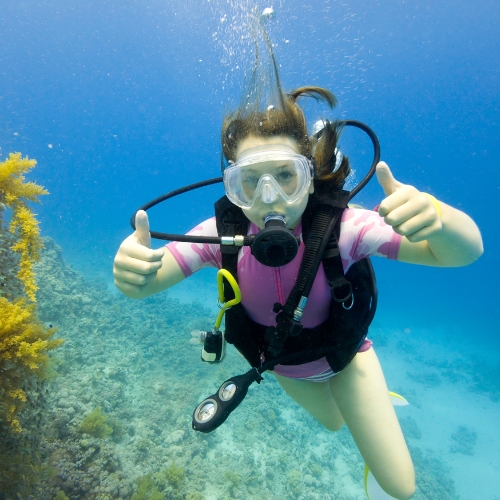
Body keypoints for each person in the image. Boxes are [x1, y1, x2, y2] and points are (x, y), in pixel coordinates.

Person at [114, 81, 483, 500]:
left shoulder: (346, 229)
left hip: (346, 363)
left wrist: (439, 218)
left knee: (400, 487)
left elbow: (463, 253)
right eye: (249, 182)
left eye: (286, 176)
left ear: (310, 178)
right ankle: (356, 412)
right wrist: (133, 270)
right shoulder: (221, 236)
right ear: (231, 188)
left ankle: (371, 398)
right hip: (283, 365)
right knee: (332, 423)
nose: (270, 197)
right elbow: (148, 280)